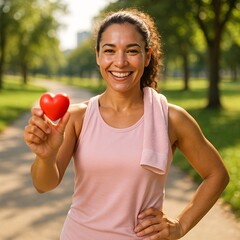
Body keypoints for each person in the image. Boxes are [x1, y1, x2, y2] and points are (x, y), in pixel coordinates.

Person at [23, 8, 229, 240]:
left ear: (147, 56)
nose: (120, 62)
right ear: (98, 56)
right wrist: (45, 156)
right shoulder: (77, 118)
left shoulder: (171, 119)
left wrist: (180, 226)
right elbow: (44, 185)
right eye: (109, 51)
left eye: (132, 51)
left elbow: (217, 174)